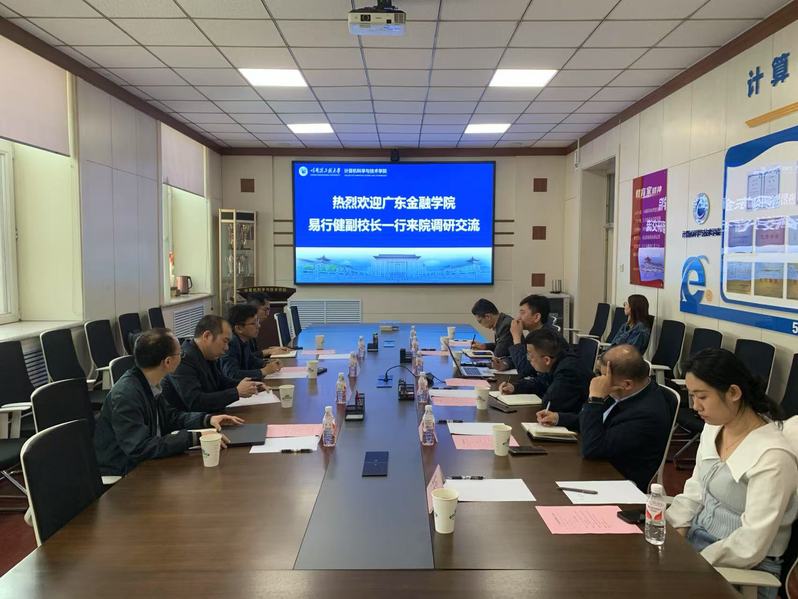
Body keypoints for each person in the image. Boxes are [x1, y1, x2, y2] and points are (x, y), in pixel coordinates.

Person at [666, 349, 798, 598]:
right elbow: (696, 489)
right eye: (692, 396)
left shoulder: (772, 458)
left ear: (734, 393)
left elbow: (750, 545)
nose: (695, 406)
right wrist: (671, 533)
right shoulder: (714, 427)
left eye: (702, 396)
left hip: (742, 569)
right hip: (697, 545)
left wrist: (691, 561)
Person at [94, 328, 244, 476]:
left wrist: (207, 419)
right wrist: (194, 438)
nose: (183, 357)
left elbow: (171, 417)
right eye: (180, 353)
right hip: (126, 473)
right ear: (167, 361)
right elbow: (140, 448)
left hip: (148, 463)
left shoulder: (150, 383)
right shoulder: (126, 394)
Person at [579, 344, 674, 491]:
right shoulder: (627, 392)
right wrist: (559, 418)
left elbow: (592, 449)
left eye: (604, 376)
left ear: (627, 384)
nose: (599, 381)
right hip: (601, 464)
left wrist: (595, 399)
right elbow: (597, 419)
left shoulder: (646, 415)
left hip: (619, 481)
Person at [162, 315, 263, 413]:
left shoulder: (207, 354)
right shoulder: (182, 360)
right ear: (207, 336)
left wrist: (250, 385)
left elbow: (221, 382)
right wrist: (236, 392)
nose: (227, 348)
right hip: (190, 421)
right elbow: (195, 402)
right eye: (225, 341)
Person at [498, 328, 591, 431]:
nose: (528, 358)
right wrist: (515, 387)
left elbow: (550, 405)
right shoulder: (558, 360)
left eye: (530, 354)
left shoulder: (568, 371)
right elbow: (540, 382)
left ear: (546, 360)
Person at [493, 294, 554, 378]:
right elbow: (525, 358)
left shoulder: (547, 338)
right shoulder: (534, 335)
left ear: (536, 317)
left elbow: (525, 370)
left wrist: (516, 337)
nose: (518, 318)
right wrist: (504, 364)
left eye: (522, 313)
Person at [220, 303, 282, 381]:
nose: (258, 326)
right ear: (239, 328)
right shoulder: (231, 343)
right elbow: (232, 374)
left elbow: (251, 360)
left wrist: (267, 363)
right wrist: (263, 371)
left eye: (257, 321)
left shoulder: (244, 339)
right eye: (253, 323)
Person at [246, 294, 290, 358]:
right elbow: (245, 358)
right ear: (253, 309)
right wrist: (268, 351)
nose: (267, 314)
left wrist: (272, 351)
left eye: (268, 310)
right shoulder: (243, 328)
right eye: (265, 310)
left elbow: (253, 355)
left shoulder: (252, 327)